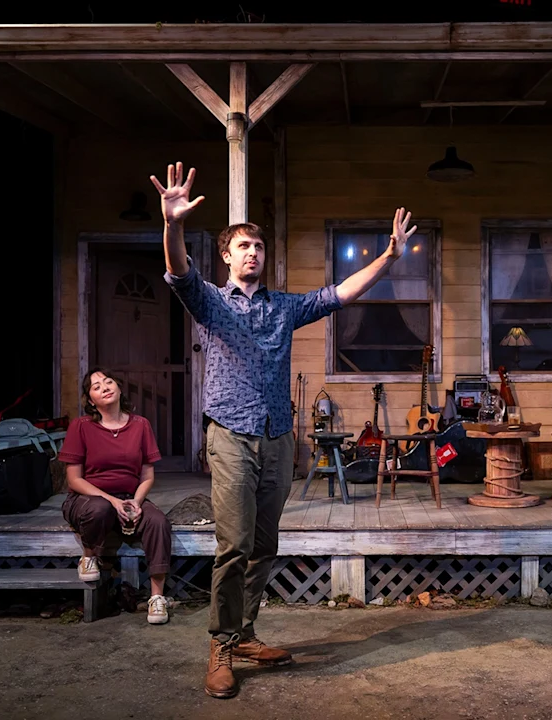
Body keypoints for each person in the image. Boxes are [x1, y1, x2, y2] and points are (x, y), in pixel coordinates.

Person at [150, 161, 417, 699]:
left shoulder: (283, 308)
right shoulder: (209, 300)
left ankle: (245, 633)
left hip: (276, 435)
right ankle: (220, 645)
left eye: (259, 248)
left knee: (264, 543)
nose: (253, 253)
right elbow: (178, 270)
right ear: (226, 256)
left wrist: (388, 257)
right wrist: (172, 223)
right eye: (243, 247)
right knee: (233, 543)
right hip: (230, 432)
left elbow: (340, 294)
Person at [58, 368, 173, 624]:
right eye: (96, 387)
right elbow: (74, 480)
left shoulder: (141, 425)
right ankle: (89, 557)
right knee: (101, 509)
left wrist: (136, 502)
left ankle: (157, 598)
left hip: (128, 496)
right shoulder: (81, 426)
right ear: (91, 401)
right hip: (86, 499)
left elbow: (147, 476)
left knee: (158, 522)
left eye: (108, 382)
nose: (105, 387)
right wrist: (113, 501)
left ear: (120, 389)